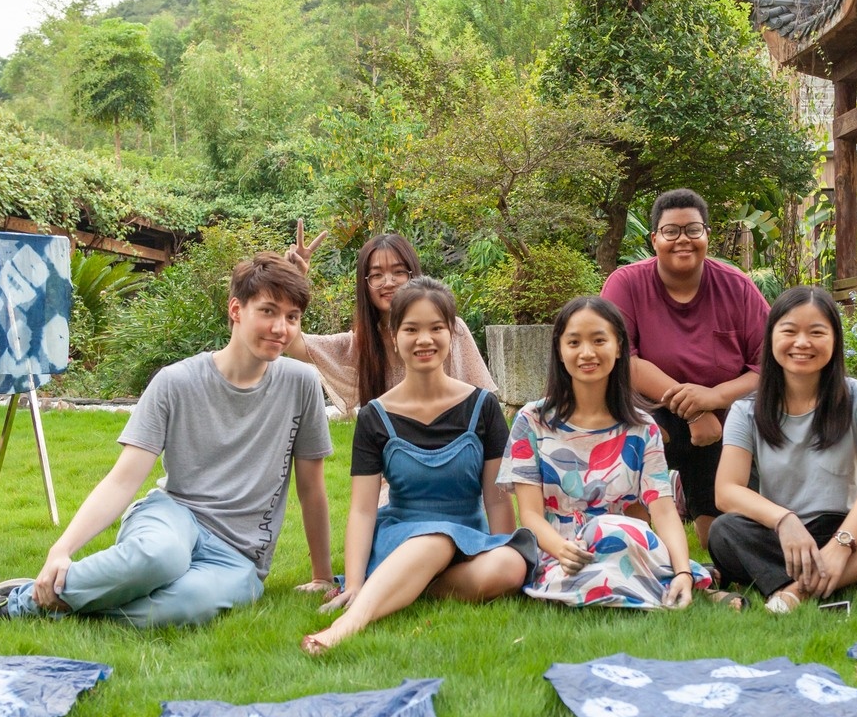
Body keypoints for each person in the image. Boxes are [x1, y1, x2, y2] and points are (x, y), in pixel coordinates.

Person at [0, 253, 334, 631]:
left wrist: (320, 576)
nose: (281, 328)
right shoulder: (176, 381)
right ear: (236, 310)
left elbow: (311, 488)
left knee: (184, 605)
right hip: (175, 515)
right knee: (159, 558)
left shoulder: (301, 384)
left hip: (239, 554)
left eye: (292, 317)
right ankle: (14, 605)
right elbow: (124, 480)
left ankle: (66, 596)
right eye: (268, 311)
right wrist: (62, 548)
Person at [302, 278, 533, 653]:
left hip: (468, 539)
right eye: (411, 329)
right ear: (394, 336)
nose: (424, 339)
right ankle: (350, 621)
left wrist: (499, 545)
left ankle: (406, 586)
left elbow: (496, 500)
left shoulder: (484, 408)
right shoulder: (375, 416)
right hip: (401, 535)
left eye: (436, 328)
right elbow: (362, 510)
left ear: (452, 334)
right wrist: (356, 581)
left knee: (510, 566)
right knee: (436, 539)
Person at [707, 287, 857, 613]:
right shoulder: (746, 410)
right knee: (724, 532)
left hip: (854, 529)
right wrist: (784, 521)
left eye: (816, 332)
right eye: (789, 331)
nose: (802, 343)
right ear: (771, 337)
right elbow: (727, 491)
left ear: (835, 340)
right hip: (787, 542)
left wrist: (841, 546)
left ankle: (797, 591)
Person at [499, 296, 712, 609]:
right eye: (574, 342)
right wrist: (561, 549)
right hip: (561, 553)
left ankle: (674, 580)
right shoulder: (532, 421)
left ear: (619, 346)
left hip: (627, 543)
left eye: (599, 340)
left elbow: (663, 510)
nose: (587, 353)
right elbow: (530, 514)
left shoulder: (642, 428)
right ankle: (655, 585)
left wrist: (681, 569)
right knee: (603, 546)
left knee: (615, 530)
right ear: (559, 349)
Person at [601, 188, 770, 548]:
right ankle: (644, 513)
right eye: (671, 231)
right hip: (647, 413)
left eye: (693, 230)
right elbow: (621, 358)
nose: (683, 240)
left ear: (707, 234)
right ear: (654, 239)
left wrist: (713, 397)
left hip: (721, 421)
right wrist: (694, 411)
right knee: (641, 540)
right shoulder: (626, 283)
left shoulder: (737, 287)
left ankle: (693, 496)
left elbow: (767, 365)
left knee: (722, 542)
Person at [284, 224, 496, 415]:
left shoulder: (449, 329)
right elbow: (294, 343)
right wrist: (293, 279)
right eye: (376, 275)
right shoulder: (361, 343)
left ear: (413, 275)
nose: (388, 282)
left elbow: (486, 405)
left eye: (398, 272)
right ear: (364, 285)